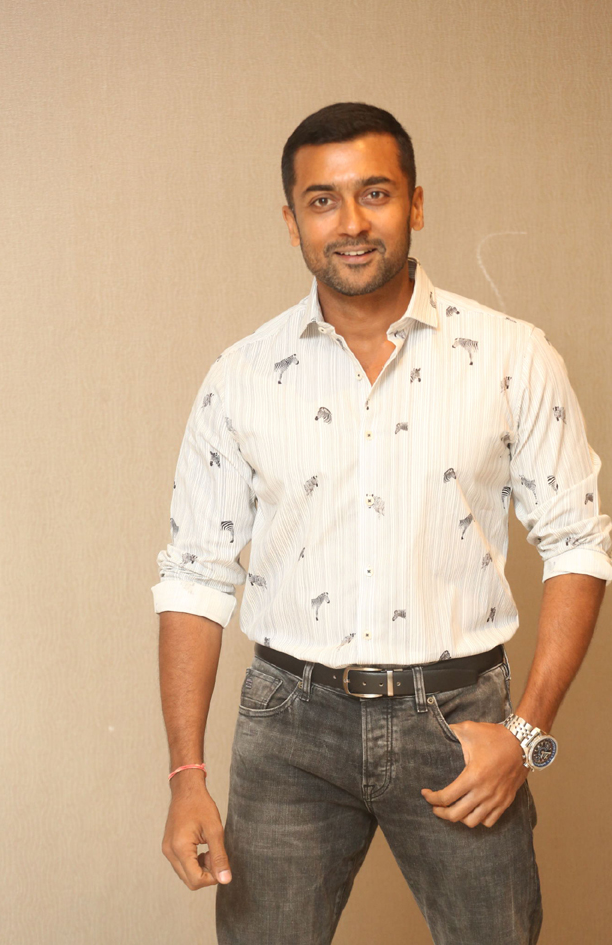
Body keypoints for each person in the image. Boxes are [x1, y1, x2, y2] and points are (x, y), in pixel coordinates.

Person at [153, 102, 611, 945]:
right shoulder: (241, 376)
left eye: (375, 193)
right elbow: (194, 573)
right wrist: (187, 774)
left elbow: (578, 541)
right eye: (323, 200)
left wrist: (525, 733)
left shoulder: (512, 357)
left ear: (416, 203)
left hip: (458, 721)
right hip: (288, 727)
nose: (352, 222)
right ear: (292, 220)